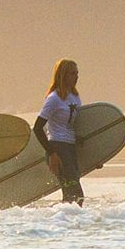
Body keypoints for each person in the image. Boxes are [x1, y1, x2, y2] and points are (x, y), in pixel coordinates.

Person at [35, 58, 84, 206]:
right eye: (72, 73)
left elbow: (72, 125)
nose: (76, 77)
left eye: (77, 73)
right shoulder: (54, 98)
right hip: (58, 148)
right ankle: (60, 224)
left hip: (70, 147)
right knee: (75, 195)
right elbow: (37, 128)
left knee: (72, 196)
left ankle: (63, 225)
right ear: (62, 75)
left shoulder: (74, 96)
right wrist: (52, 154)